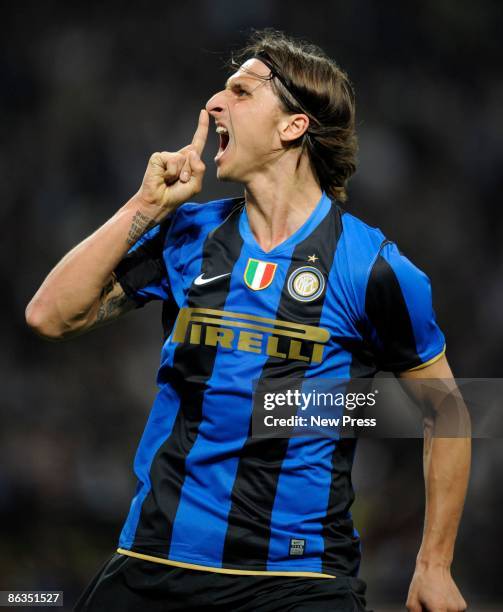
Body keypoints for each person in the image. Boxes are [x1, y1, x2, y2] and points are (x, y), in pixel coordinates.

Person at [26, 30, 469, 612]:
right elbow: (49, 316)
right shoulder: (188, 233)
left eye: (240, 90)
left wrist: (434, 565)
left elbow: (448, 410)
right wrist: (146, 207)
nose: (214, 103)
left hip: (300, 581)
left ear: (292, 126)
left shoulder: (373, 268)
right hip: (159, 560)